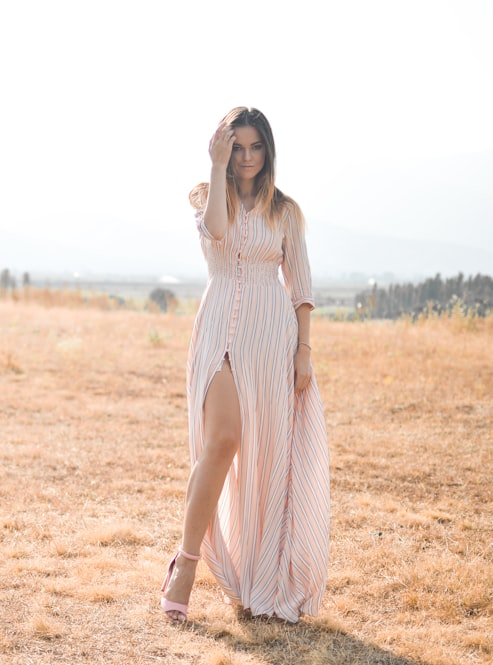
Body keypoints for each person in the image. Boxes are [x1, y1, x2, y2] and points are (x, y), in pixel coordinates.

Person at [160, 107, 330, 624]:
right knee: (222, 441)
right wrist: (215, 168)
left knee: (267, 456)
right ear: (225, 151)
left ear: (268, 150)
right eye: (238, 148)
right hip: (219, 331)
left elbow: (300, 288)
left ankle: (260, 571)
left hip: (272, 339)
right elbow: (215, 233)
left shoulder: (286, 213)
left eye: (256, 147)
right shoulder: (208, 196)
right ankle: (185, 566)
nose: (248, 157)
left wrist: (304, 351)